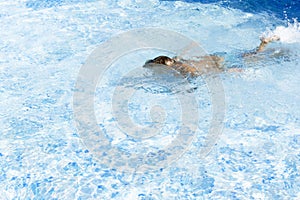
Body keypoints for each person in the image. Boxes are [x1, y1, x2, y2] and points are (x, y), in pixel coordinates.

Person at [144, 35, 280, 77]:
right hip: (215, 57)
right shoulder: (175, 60)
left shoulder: (186, 70)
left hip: (221, 63)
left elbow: (209, 73)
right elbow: (148, 64)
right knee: (246, 54)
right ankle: (262, 44)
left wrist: (228, 71)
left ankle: (263, 45)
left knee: (254, 57)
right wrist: (192, 45)